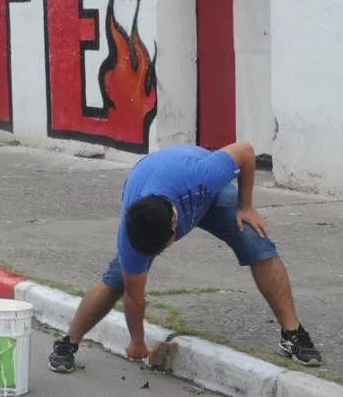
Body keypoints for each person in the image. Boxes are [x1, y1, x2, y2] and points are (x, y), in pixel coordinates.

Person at [47, 141, 322, 374]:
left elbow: (246, 151)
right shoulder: (134, 234)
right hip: (152, 182)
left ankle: (293, 334)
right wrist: (137, 341)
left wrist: (246, 206)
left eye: (161, 247)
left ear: (175, 225)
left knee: (257, 242)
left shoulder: (204, 174)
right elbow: (135, 296)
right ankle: (68, 342)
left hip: (202, 191)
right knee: (118, 275)